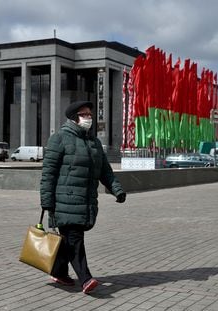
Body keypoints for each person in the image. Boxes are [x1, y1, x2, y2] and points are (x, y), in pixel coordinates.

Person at [40, 100, 127, 294]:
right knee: (74, 238)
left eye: (89, 114)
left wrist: (117, 189)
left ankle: (59, 273)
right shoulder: (60, 139)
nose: (89, 117)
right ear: (73, 117)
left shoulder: (94, 142)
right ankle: (86, 278)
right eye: (84, 114)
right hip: (65, 200)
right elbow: (48, 173)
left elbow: (105, 171)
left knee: (67, 240)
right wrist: (47, 202)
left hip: (86, 201)